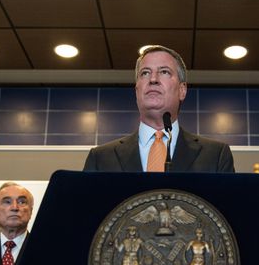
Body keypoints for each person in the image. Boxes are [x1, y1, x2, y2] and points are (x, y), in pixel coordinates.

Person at [83, 45, 235, 173]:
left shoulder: (216, 156)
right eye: (145, 73)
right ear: (137, 90)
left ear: (182, 90)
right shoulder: (100, 158)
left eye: (164, 72)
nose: (153, 79)